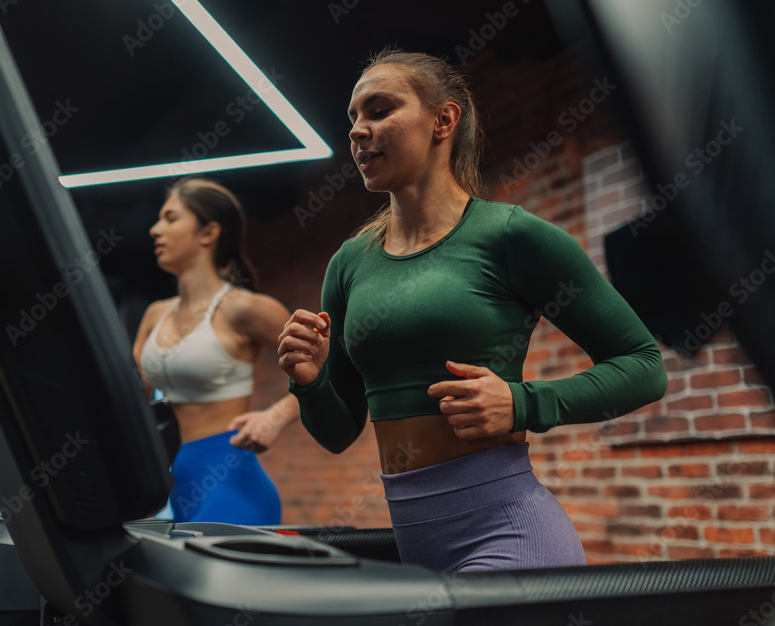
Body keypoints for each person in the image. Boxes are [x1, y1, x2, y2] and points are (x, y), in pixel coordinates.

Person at [277, 49, 668, 572]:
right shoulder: (349, 264)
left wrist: (523, 403)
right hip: (418, 549)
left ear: (444, 119)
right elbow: (338, 431)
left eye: (379, 110)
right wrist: (309, 380)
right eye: (353, 117)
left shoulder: (510, 236)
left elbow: (644, 365)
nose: (358, 130)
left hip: (510, 535)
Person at [134, 176, 300, 525]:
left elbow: (333, 367)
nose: (155, 229)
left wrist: (277, 416)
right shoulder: (154, 314)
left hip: (230, 481)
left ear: (208, 233)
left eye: (170, 218)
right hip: (174, 481)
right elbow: (131, 400)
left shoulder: (245, 309)